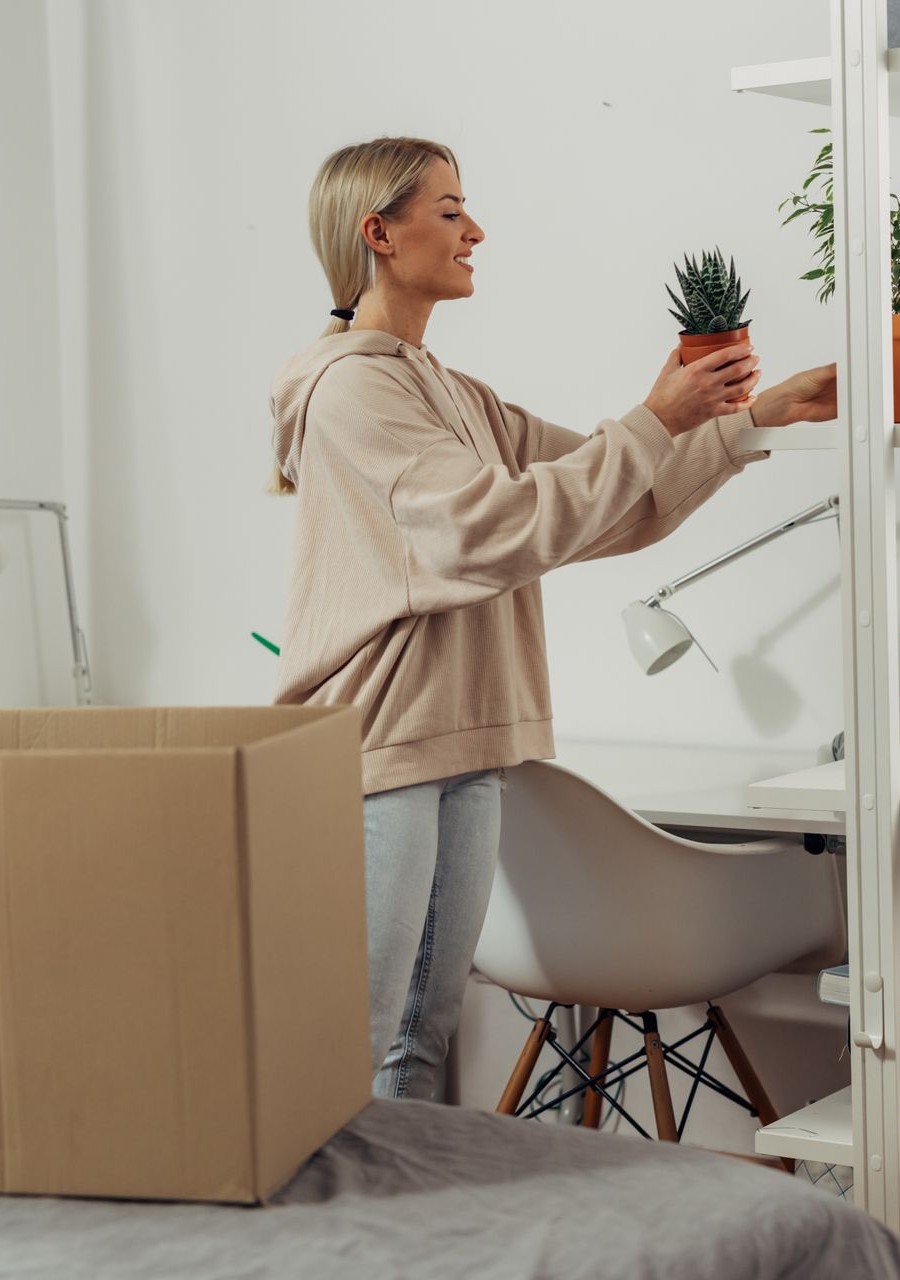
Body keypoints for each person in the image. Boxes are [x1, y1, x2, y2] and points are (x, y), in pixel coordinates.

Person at [267, 136, 836, 1102]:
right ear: (381, 233)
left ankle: (418, 1240)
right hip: (379, 749)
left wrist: (749, 420)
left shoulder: (449, 392)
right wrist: (658, 416)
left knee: (421, 1042)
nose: (474, 230)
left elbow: (606, 503)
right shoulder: (356, 388)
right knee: (364, 1051)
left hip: (461, 746)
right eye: (449, 211)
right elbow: (493, 529)